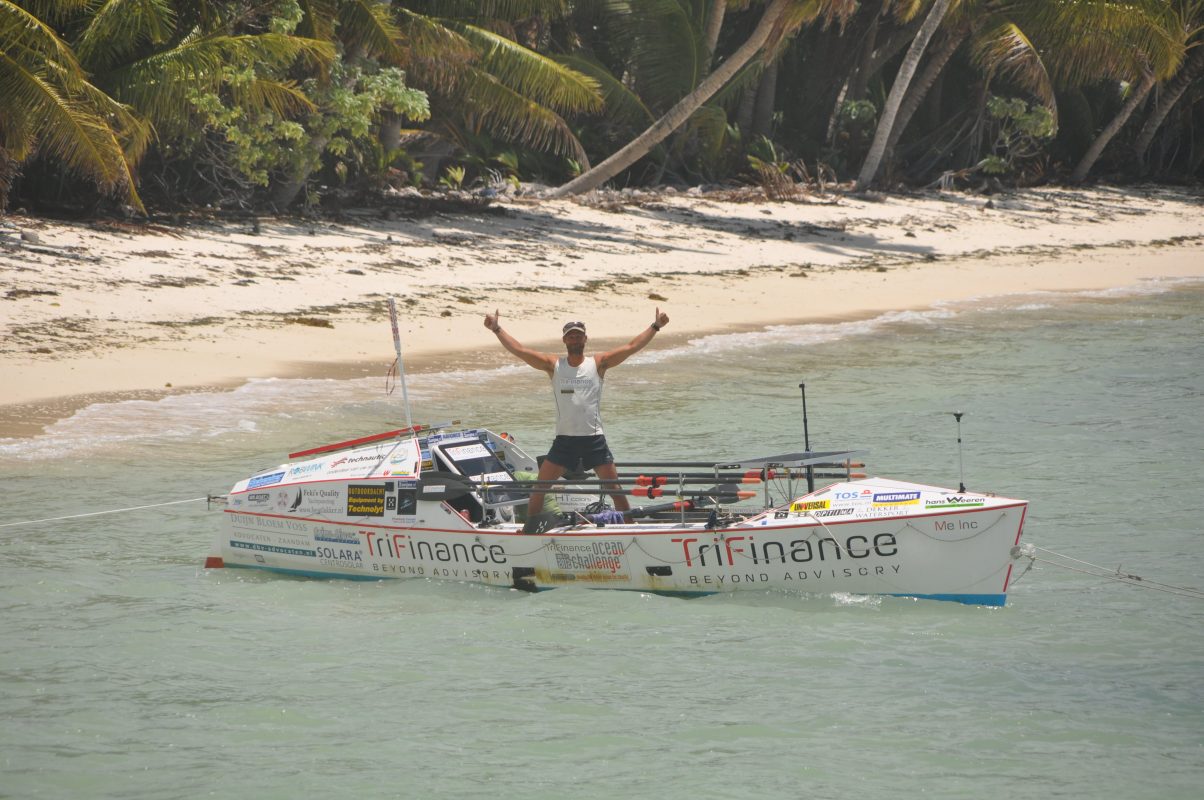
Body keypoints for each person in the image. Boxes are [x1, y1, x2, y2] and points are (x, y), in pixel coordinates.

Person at [484, 308, 670, 523]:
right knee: (540, 488)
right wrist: (496, 329)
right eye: (571, 335)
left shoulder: (598, 364)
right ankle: (532, 529)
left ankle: (630, 526)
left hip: (594, 440)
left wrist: (655, 326)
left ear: (585, 339)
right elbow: (520, 350)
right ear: (564, 340)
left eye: (578, 335)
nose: (575, 338)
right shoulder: (553, 365)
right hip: (565, 441)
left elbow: (631, 347)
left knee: (614, 488)